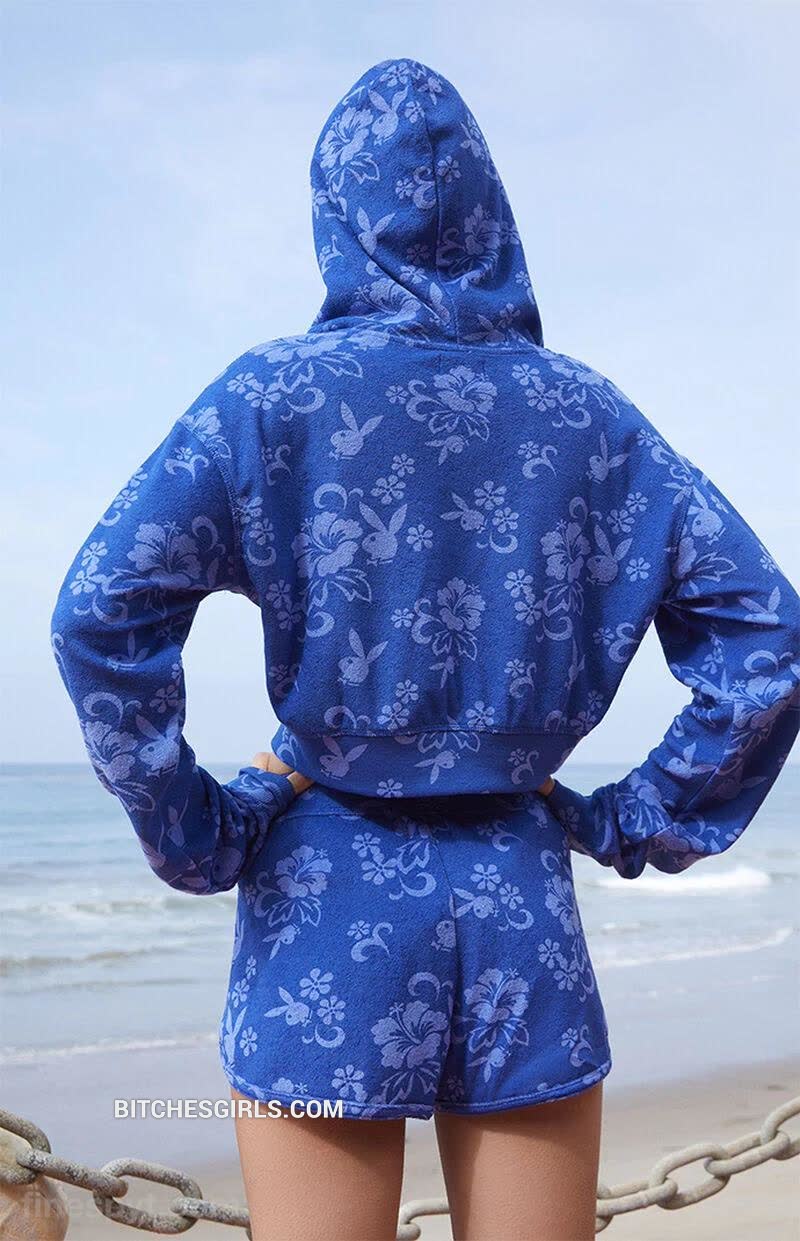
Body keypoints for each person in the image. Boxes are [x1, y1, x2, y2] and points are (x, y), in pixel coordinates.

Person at [51, 57, 799, 1241]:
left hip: (322, 895)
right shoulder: (588, 414)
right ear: (493, 213)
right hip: (517, 885)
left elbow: (100, 612)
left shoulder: (269, 396)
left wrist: (199, 830)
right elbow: (767, 640)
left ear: (334, 215)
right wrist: (631, 818)